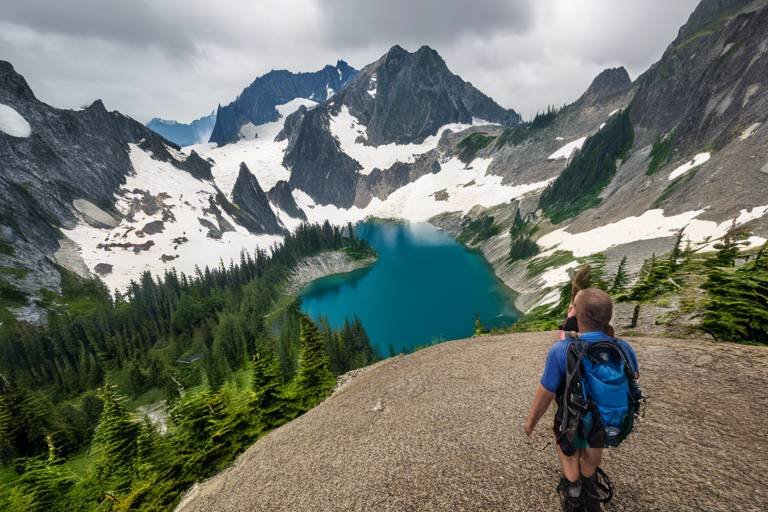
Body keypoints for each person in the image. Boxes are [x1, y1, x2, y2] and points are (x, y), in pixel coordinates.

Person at [524, 288, 639, 511]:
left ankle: (574, 492)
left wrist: (530, 423)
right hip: (608, 420)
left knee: (566, 446)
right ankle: (590, 489)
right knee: (594, 442)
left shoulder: (562, 350)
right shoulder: (624, 348)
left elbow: (545, 393)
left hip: (576, 419)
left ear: (576, 314)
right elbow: (633, 378)